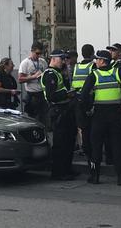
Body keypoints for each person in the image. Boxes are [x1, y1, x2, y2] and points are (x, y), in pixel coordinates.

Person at [79, 50, 121, 185]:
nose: (95, 62)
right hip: (116, 115)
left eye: (97, 60)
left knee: (96, 147)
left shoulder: (93, 75)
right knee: (117, 146)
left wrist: (88, 110)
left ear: (102, 61)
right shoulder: (118, 72)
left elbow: (83, 97)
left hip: (99, 116)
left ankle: (95, 177)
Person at [40, 50, 77, 180]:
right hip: (58, 110)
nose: (63, 61)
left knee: (69, 141)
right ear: (54, 59)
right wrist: (67, 94)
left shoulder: (59, 72)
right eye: (61, 58)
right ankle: (58, 172)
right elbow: (51, 96)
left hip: (65, 109)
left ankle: (67, 169)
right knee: (60, 142)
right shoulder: (50, 74)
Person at [72, 44, 95, 166]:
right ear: (92, 53)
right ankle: (92, 153)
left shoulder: (76, 67)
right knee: (91, 127)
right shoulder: (93, 66)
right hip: (89, 99)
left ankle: (86, 150)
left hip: (77, 99)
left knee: (82, 128)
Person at [19, 42, 49, 125]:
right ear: (32, 51)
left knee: (44, 118)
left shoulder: (43, 62)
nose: (39, 55)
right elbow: (20, 79)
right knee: (33, 119)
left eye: (40, 53)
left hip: (42, 94)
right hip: (32, 94)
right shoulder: (25, 63)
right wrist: (33, 77)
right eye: (37, 53)